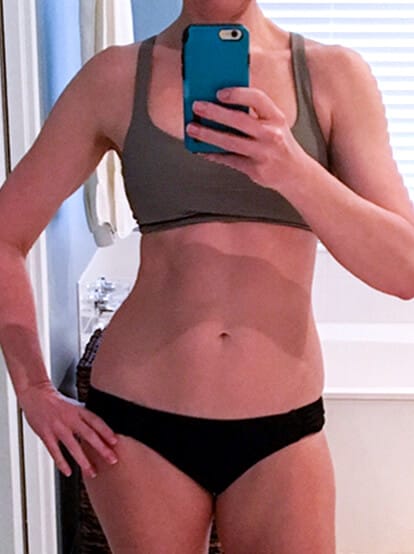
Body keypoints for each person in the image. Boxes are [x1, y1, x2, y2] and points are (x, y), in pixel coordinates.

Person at [1, 1, 414, 552]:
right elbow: (6, 236)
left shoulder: (333, 75)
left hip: (282, 430)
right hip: (139, 425)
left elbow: (404, 270)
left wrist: (292, 169)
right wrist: (32, 389)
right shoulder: (114, 77)